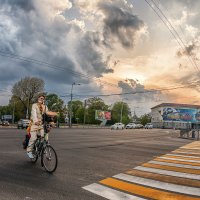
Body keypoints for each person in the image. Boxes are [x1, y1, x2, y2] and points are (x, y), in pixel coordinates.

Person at [27, 94, 57, 159]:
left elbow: (47, 115)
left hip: (41, 124)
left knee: (45, 137)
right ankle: (29, 151)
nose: (42, 99)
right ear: (38, 99)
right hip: (34, 124)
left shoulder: (45, 107)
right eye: (41, 98)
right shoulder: (34, 105)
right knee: (33, 138)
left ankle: (43, 147)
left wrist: (52, 122)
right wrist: (36, 121)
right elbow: (34, 114)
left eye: (43, 99)